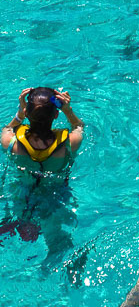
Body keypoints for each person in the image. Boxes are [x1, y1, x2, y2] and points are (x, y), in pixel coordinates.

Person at [0, 87, 84, 242]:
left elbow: (7, 128)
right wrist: (68, 110)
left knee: (16, 217)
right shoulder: (69, 144)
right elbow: (79, 127)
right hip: (56, 196)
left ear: (27, 113)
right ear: (56, 115)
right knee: (55, 237)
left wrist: (20, 112)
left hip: (21, 193)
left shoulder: (10, 142)